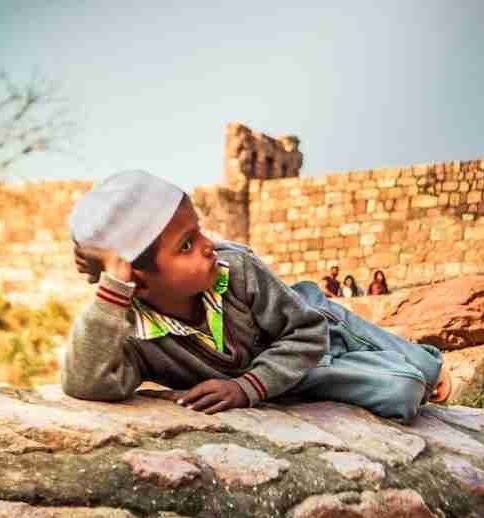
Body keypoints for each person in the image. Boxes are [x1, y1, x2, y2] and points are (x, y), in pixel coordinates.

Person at [63, 170, 453, 422]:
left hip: (303, 335)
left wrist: (245, 388)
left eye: (199, 231)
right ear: (138, 279)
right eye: (186, 245)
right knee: (402, 390)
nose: (208, 245)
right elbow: (88, 383)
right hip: (291, 372)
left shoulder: (236, 270)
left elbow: (306, 334)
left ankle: (427, 361)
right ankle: (407, 370)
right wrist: (111, 296)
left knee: (331, 320)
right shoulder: (130, 330)